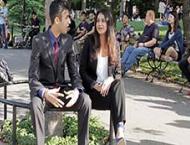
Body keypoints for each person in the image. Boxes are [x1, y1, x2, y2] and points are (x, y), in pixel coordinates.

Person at [28, 1, 91, 145]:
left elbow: (75, 73)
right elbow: (32, 77)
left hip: (62, 91)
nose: (70, 21)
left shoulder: (68, 40)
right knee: (35, 104)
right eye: (67, 17)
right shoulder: (38, 40)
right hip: (45, 93)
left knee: (86, 101)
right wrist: (44, 92)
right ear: (57, 20)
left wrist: (77, 90)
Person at [80, 9, 126, 145]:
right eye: (97, 21)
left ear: (109, 23)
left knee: (119, 84)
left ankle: (119, 131)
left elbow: (118, 72)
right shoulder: (89, 41)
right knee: (117, 92)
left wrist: (109, 79)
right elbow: (82, 70)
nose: (100, 24)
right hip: (92, 94)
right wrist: (94, 84)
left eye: (103, 21)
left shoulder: (115, 44)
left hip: (107, 93)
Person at [121, 10, 159, 75]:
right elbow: (141, 38)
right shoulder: (146, 27)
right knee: (129, 48)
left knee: (136, 51)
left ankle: (125, 69)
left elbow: (153, 41)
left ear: (150, 17)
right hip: (140, 46)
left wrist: (144, 44)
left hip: (149, 49)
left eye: (146, 16)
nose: (145, 17)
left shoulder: (155, 27)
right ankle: (121, 66)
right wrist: (136, 44)